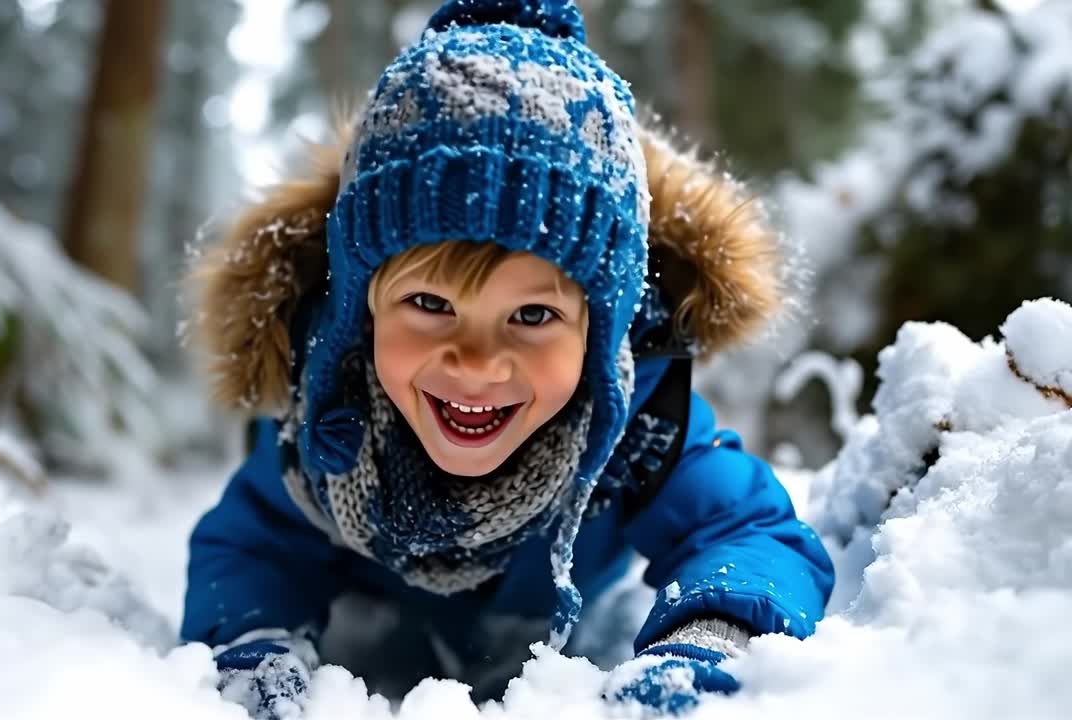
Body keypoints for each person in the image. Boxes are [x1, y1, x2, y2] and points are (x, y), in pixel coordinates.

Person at [183, 1, 834, 716]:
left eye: (533, 315)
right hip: (373, 595)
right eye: (430, 305)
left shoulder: (636, 424)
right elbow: (249, 548)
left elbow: (747, 531)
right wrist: (255, 642)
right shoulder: (325, 424)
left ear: (601, 328)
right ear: (359, 309)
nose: (476, 363)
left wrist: (708, 638)